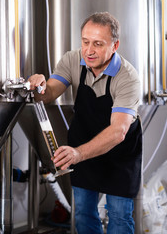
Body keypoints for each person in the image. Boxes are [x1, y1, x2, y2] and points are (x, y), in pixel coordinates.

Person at [28, 12, 142, 233]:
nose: (89, 51)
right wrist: (39, 86)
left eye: (98, 44)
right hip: (82, 145)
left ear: (115, 45)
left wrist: (78, 153)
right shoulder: (73, 59)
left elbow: (118, 131)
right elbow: (49, 94)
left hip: (119, 154)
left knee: (119, 216)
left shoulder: (128, 77)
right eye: (85, 42)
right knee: (83, 214)